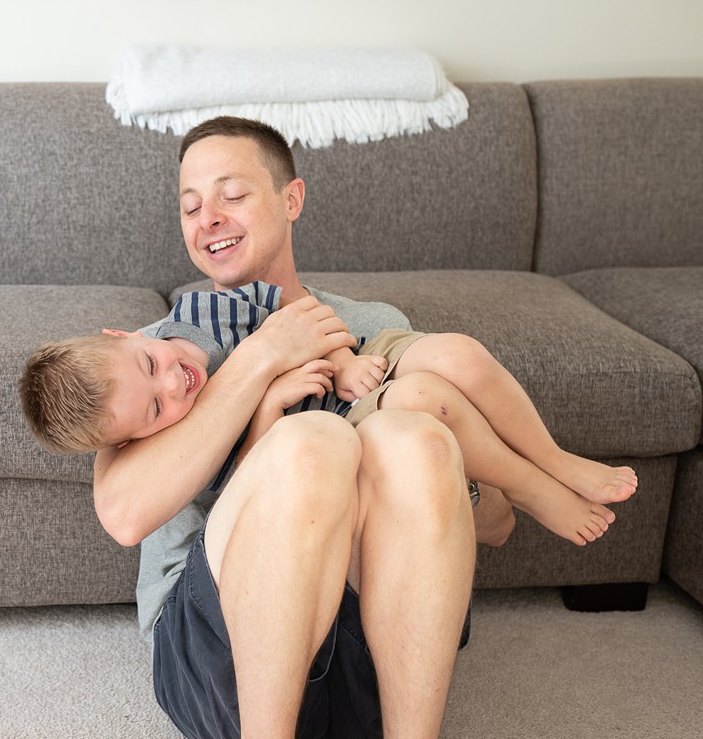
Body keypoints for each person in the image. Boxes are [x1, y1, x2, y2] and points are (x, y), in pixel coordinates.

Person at [73, 115, 484, 738]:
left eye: (231, 195)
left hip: (371, 640)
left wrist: (452, 469)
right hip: (214, 660)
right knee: (310, 445)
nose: (207, 218)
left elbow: (497, 520)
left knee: (414, 440)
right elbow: (125, 515)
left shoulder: (371, 322)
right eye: (190, 207)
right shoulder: (157, 357)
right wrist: (263, 355)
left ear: (291, 199)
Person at [21, 276, 634, 546]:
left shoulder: (203, 314)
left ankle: (556, 460)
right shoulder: (190, 434)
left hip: (356, 365)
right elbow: (256, 481)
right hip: (338, 426)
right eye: (155, 409)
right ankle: (531, 488)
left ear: (129, 333)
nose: (174, 387)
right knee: (426, 402)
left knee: (461, 356)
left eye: (152, 366)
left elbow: (299, 312)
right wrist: (267, 400)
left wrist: (342, 360)